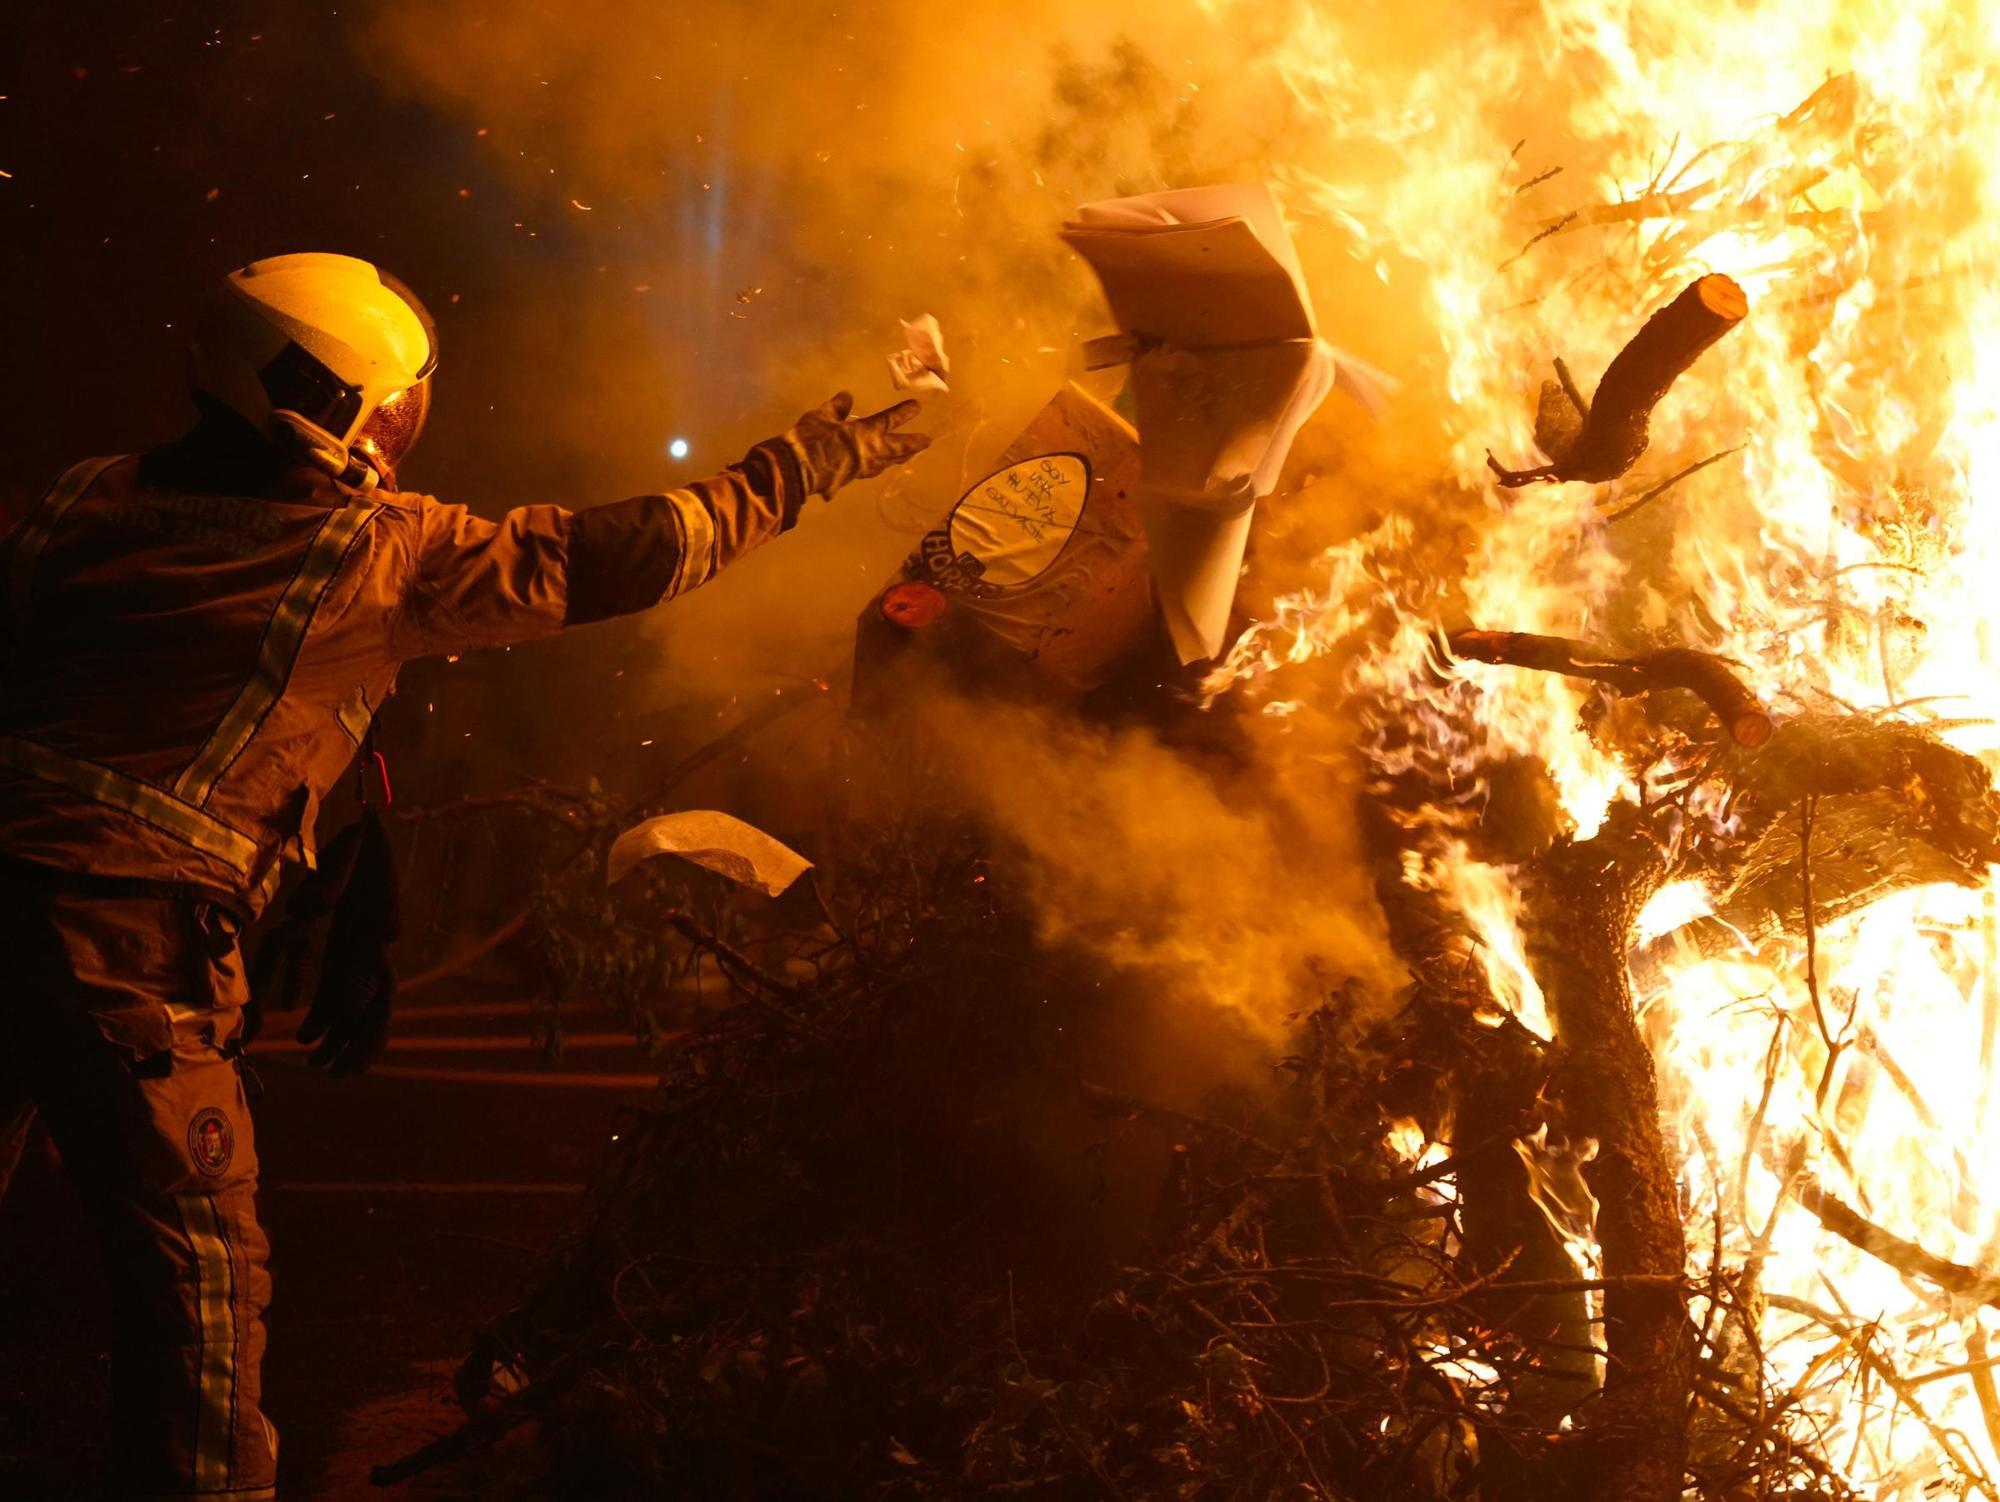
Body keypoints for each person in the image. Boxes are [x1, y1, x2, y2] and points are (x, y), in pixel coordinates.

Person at [0, 251, 929, 1501]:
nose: (400, 432)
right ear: (323, 405)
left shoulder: (67, 503)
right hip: (127, 955)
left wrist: (340, 879)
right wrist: (816, 459)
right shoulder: (380, 553)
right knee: (198, 1298)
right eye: (389, 405)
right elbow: (633, 550)